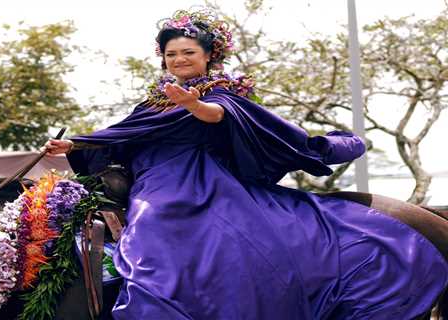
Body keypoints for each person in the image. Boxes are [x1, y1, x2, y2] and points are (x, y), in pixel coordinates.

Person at [44, 8, 448, 320]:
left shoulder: (221, 93)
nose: (179, 59)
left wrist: (193, 105)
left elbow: (218, 115)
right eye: (171, 54)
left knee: (156, 227)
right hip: (148, 175)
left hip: (191, 181)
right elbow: (121, 134)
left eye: (188, 52)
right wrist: (73, 144)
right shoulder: (153, 101)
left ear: (207, 56)